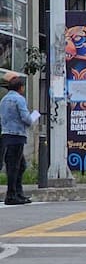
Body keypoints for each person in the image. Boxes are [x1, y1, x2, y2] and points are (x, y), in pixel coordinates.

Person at [1, 74, 36, 205]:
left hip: (6, 135)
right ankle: (11, 195)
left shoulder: (3, 100)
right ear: (20, 88)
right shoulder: (19, 99)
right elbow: (26, 118)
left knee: (19, 165)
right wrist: (33, 118)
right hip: (17, 135)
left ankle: (18, 193)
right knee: (14, 166)